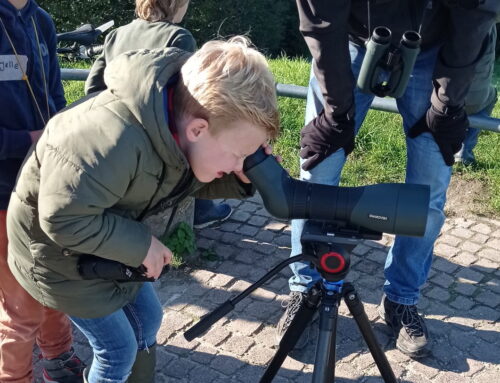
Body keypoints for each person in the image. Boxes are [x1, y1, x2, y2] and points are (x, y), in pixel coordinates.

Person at [7, 37, 279, 382]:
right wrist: (140, 245)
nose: (242, 162)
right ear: (198, 129)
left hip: (100, 240)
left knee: (148, 318)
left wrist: (240, 178)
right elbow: (63, 218)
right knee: (117, 349)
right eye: (238, 153)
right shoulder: (109, 138)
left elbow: (182, 178)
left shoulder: (178, 128)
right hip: (55, 259)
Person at [277, 0, 499, 357]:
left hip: (435, 49)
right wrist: (336, 109)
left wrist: (447, 99)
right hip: (347, 40)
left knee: (427, 192)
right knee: (316, 174)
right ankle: (305, 289)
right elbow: (320, 18)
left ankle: (401, 299)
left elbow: (476, 13)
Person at [85, 0, 233, 230]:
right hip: (157, 135)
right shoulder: (178, 37)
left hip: (116, 130)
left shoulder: (116, 35)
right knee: (197, 132)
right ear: (176, 4)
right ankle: (202, 210)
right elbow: (187, 98)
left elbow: (92, 87)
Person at [0, 0, 85, 382]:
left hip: (43, 184)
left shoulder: (42, 21)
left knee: (53, 280)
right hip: (2, 193)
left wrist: (61, 135)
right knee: (20, 310)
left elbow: (55, 98)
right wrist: (31, 140)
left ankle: (58, 356)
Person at [454, 25, 497, 165]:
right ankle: (464, 148)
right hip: (470, 99)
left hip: (437, 93)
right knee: (492, 95)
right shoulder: (488, 22)